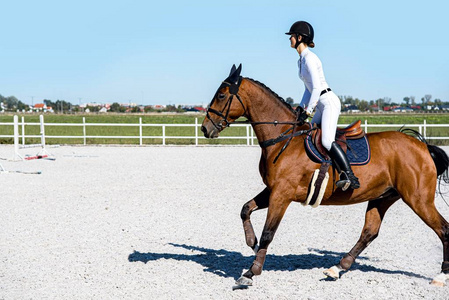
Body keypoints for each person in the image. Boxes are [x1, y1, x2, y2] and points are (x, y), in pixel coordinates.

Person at [286, 21, 360, 190]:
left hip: (328, 102)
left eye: (291, 35)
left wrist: (309, 110)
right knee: (309, 133)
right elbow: (308, 89)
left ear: (299, 38)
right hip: (320, 103)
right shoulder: (301, 61)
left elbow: (317, 88)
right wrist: (301, 108)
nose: (289, 38)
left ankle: (349, 176)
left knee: (327, 140)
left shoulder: (310, 59)